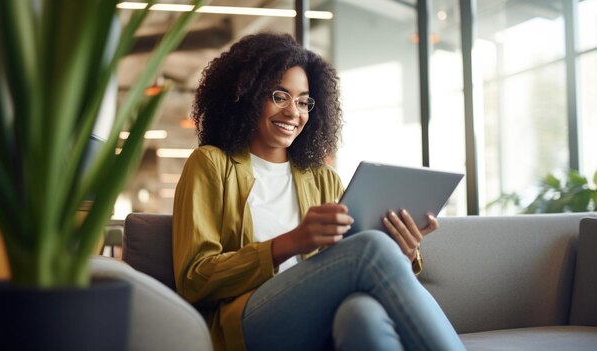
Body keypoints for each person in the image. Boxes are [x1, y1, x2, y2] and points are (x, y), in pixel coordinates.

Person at [172, 32, 465, 351]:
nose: (293, 112)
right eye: (279, 96)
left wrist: (403, 252)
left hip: (320, 317)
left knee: (361, 314)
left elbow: (351, 260)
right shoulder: (211, 164)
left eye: (303, 101)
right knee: (370, 248)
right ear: (247, 94)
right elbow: (193, 279)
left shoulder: (323, 178)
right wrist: (289, 242)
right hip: (247, 323)